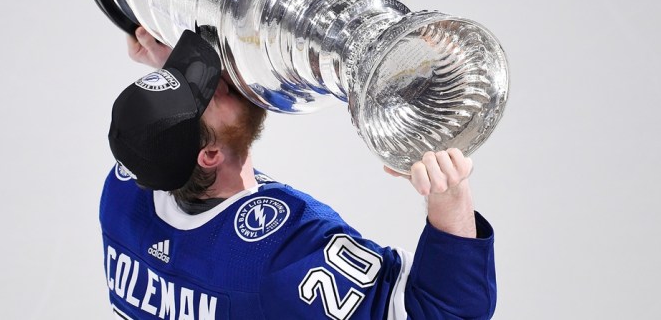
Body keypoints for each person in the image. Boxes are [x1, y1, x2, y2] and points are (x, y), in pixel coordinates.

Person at [100, 26, 496, 320]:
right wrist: (450, 198)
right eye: (213, 89)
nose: (226, 74)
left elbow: (155, 141)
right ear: (209, 154)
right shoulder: (281, 252)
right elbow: (449, 313)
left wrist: (171, 83)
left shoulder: (125, 196)